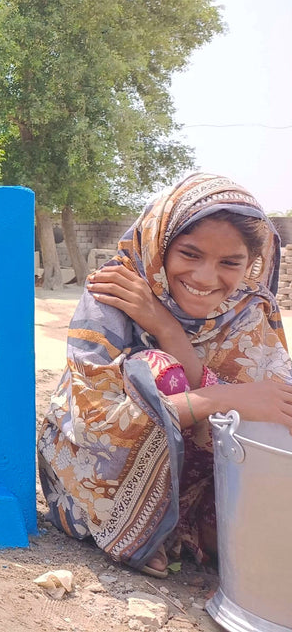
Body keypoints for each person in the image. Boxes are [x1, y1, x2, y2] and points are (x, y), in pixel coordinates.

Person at [38, 173, 292, 578]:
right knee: (157, 370)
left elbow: (276, 406)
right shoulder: (116, 288)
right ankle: (139, 528)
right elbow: (94, 424)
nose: (206, 278)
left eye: (230, 262)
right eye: (190, 254)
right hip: (100, 470)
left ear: (251, 263)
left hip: (200, 473)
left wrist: (167, 326)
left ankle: (189, 528)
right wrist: (220, 399)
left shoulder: (249, 309)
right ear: (162, 243)